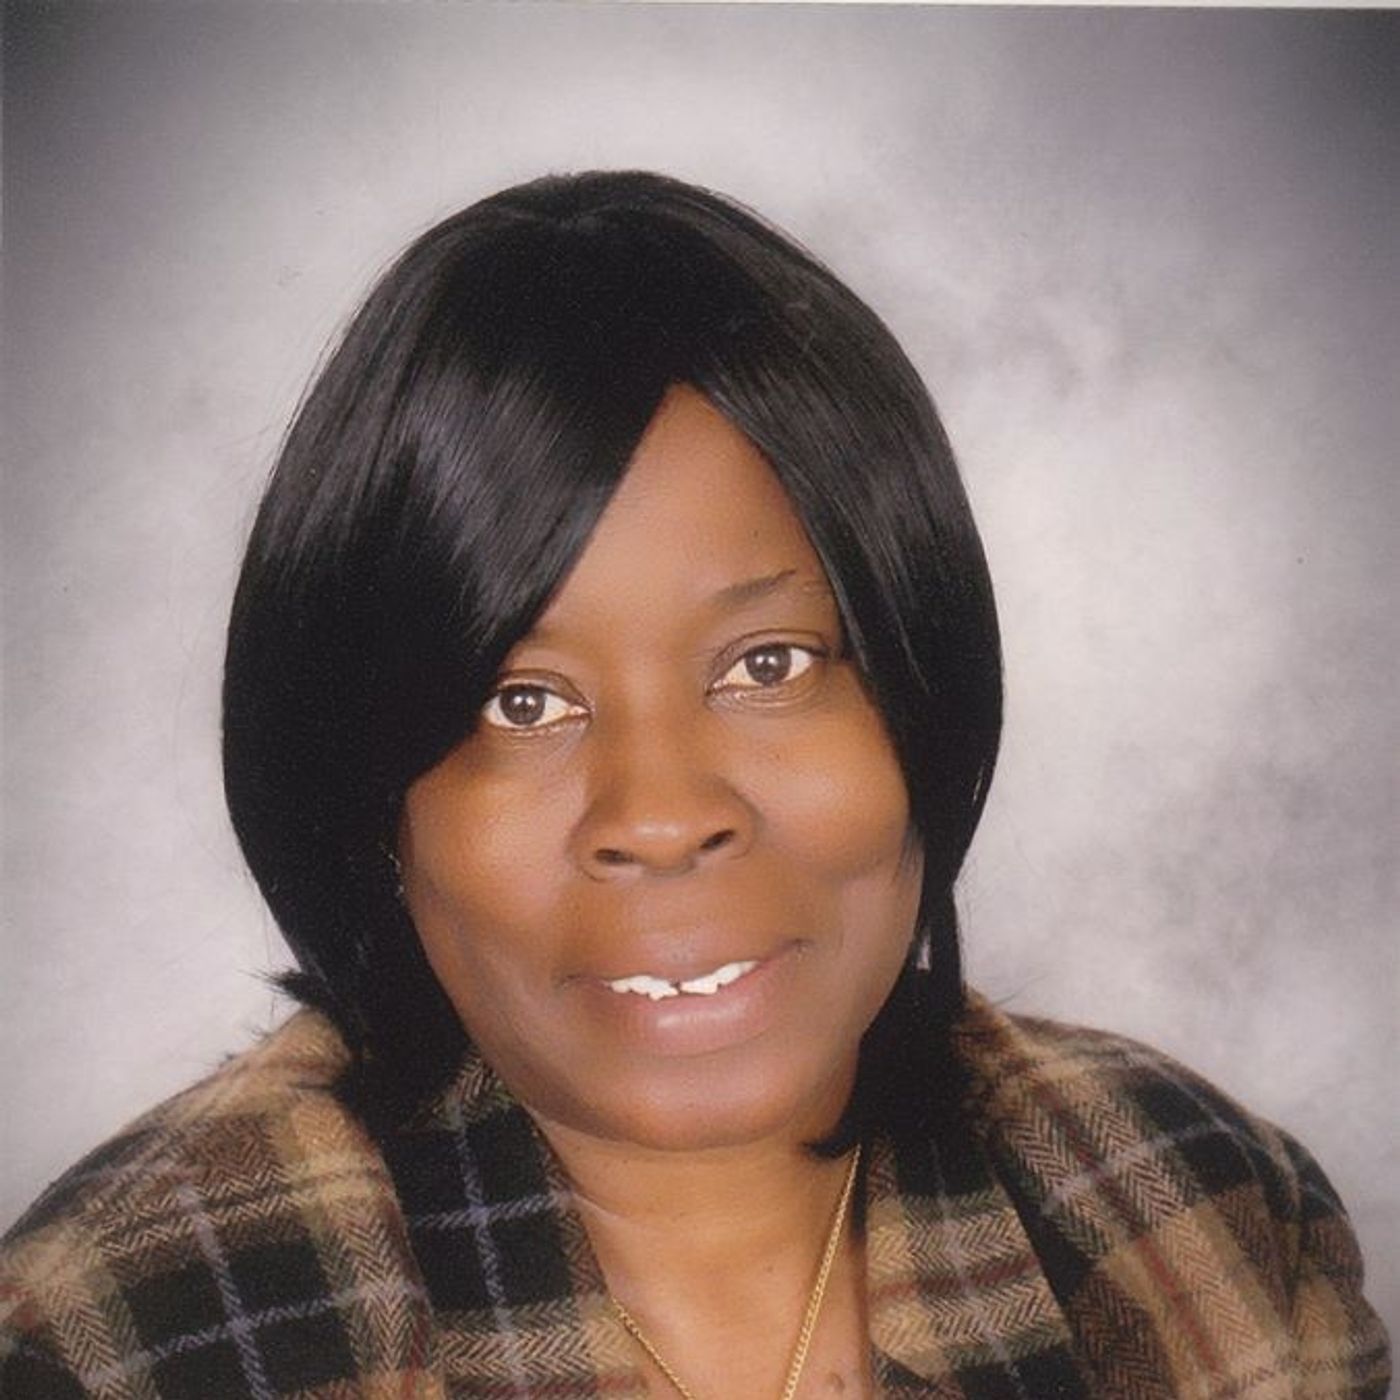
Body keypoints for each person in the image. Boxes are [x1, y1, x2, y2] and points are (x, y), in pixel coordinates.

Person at [0, 171, 1388, 1399]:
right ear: (371, 801)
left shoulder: (1199, 1207)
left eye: (768, 664)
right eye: (524, 703)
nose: (662, 817)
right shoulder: (120, 1345)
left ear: (923, 690)